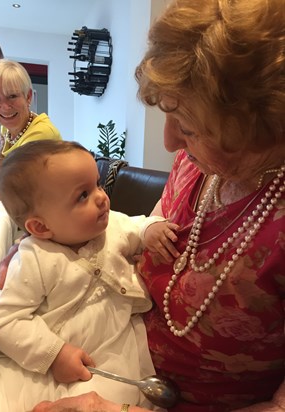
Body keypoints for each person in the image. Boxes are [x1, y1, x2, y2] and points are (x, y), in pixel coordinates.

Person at [31, 0, 285, 411]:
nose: (168, 144)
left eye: (187, 126)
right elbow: (140, 236)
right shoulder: (194, 163)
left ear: (262, 125)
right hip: (116, 360)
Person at [0, 140, 179, 412]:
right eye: (83, 195)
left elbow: (138, 226)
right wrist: (55, 354)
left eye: (97, 184)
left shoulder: (114, 226)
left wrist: (151, 230)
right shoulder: (34, 259)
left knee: (117, 396)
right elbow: (3, 321)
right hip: (55, 360)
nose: (101, 197)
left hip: (113, 353)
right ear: (40, 226)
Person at [0, 58, 62, 193]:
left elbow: (5, 190)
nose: (5, 107)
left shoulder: (42, 134)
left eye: (12, 96)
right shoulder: (8, 127)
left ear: (28, 96)